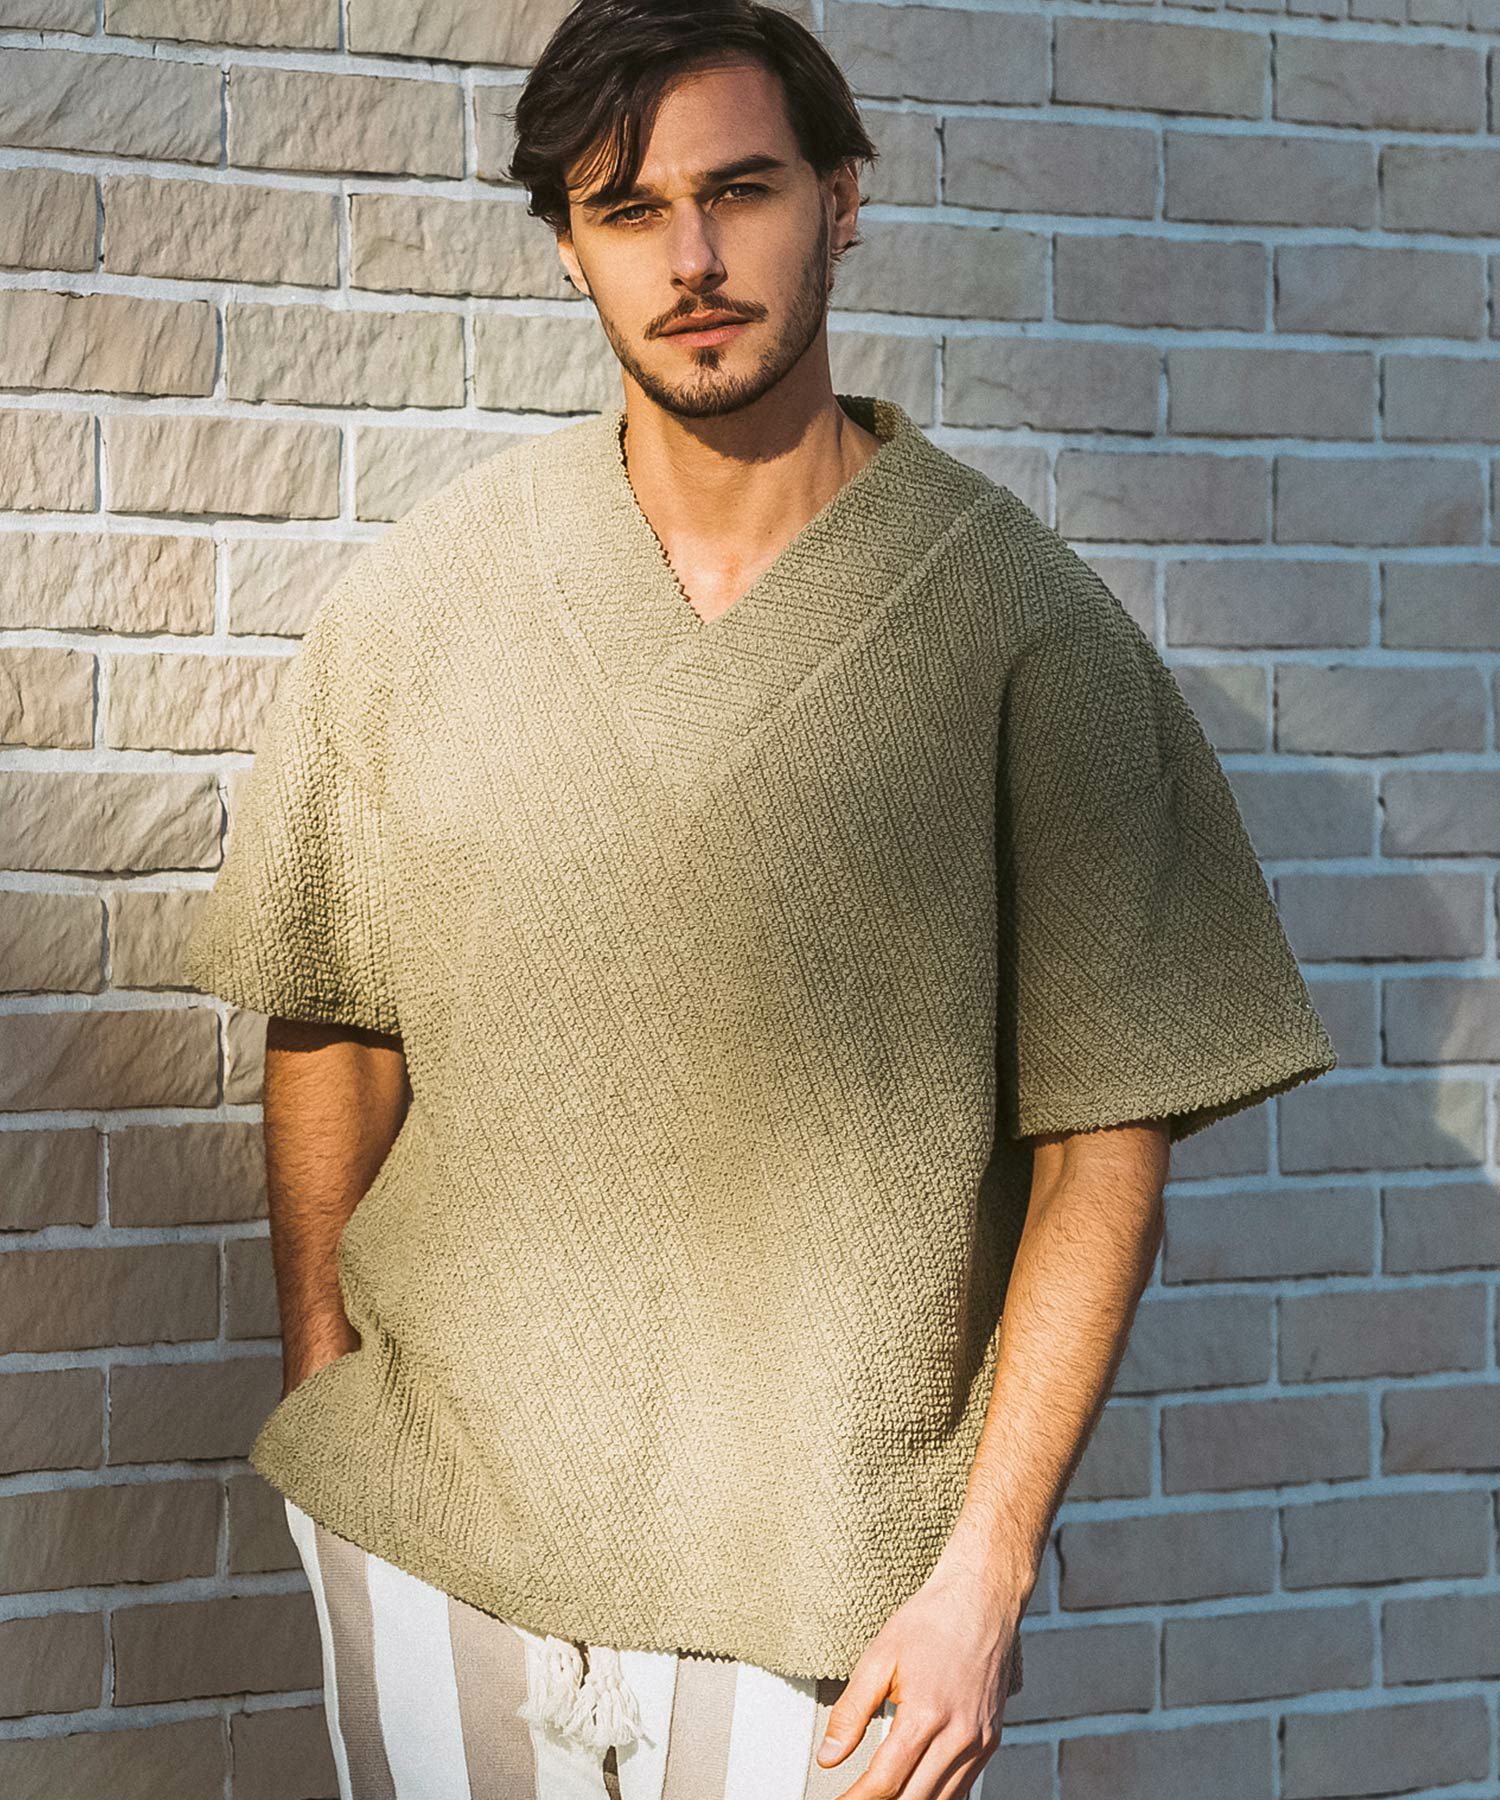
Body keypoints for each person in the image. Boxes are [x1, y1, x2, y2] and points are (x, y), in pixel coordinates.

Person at [182, 3, 1339, 1796]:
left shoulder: (1024, 630)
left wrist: (983, 1577)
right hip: (429, 1548)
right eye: (628, 210)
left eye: (741, 190)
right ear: (566, 247)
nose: (694, 260)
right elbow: (333, 1020)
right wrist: (322, 1382)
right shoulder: (423, 606)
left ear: (842, 199)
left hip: (836, 1604)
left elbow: (1106, 1144)